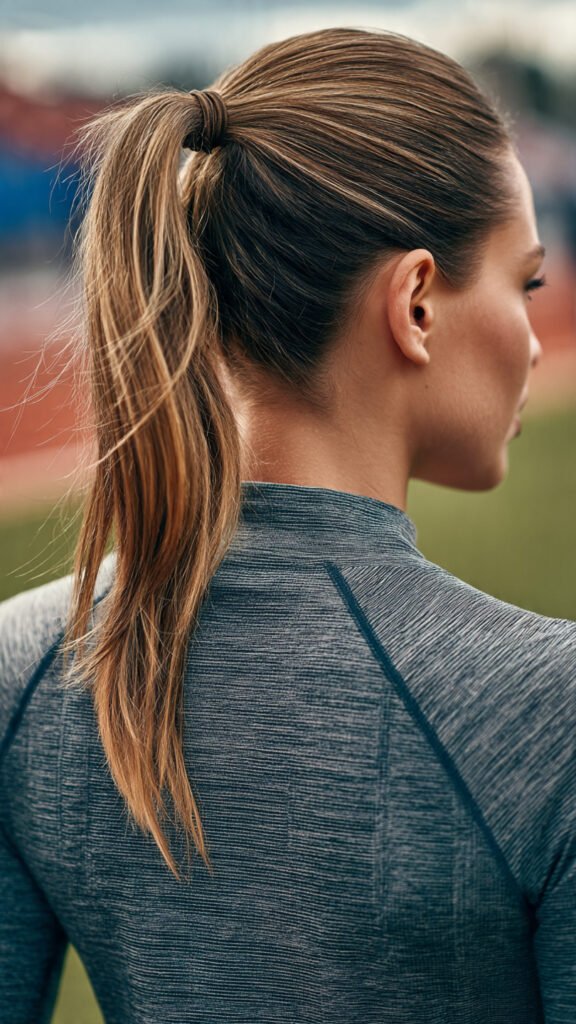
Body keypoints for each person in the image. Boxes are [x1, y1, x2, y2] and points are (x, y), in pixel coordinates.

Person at [0, 24, 574, 1024]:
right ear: (418, 305)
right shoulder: (552, 711)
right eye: (524, 282)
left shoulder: (22, 669)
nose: (534, 335)